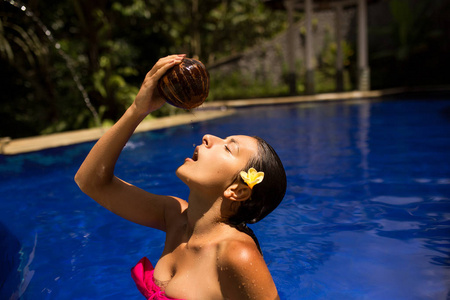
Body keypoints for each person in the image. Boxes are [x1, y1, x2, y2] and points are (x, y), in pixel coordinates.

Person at [75, 54, 287, 300]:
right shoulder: (174, 216)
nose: (208, 137)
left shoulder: (236, 254)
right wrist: (138, 109)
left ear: (237, 190)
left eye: (229, 147)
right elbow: (90, 181)